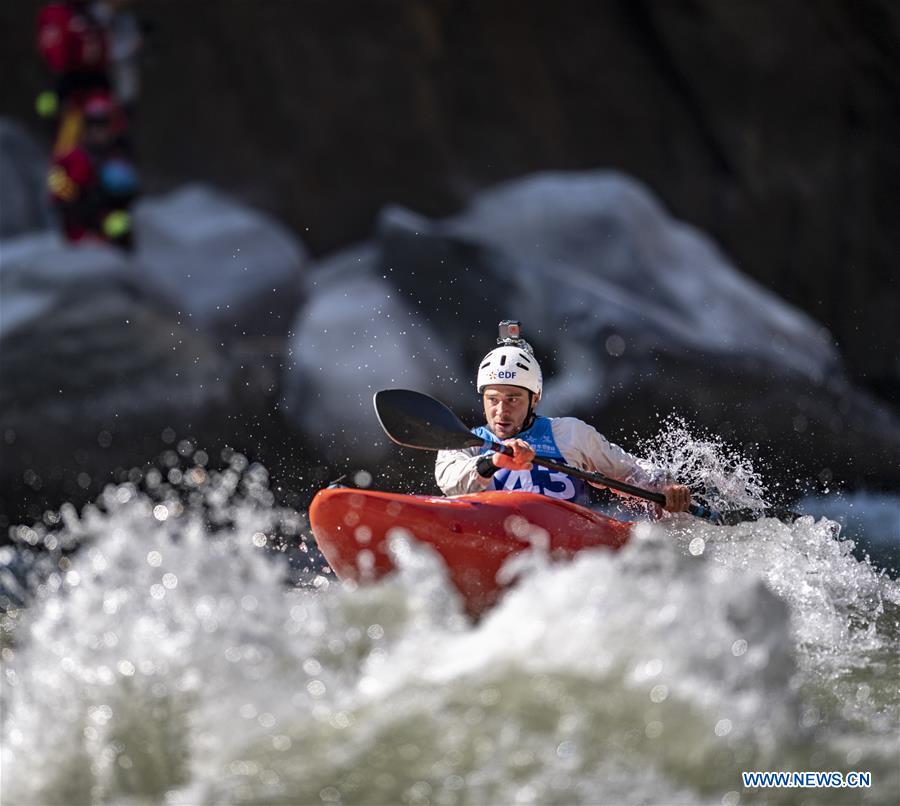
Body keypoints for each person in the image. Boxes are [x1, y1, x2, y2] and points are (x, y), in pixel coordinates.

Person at [435, 321, 692, 512]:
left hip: (571, 550)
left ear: (534, 398)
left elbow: (630, 471)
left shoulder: (570, 434)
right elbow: (451, 482)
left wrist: (664, 488)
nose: (501, 410)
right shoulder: (464, 444)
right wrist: (493, 461)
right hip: (495, 538)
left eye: (513, 399)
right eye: (493, 399)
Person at [48, 92, 139, 249]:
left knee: (119, 229)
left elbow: (129, 193)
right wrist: (72, 197)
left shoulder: (117, 158)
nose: (99, 132)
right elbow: (57, 187)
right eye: (94, 126)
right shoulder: (73, 158)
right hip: (78, 226)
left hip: (110, 223)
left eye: (103, 126)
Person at [36, 0, 111, 156]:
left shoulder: (91, 11)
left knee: (105, 127)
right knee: (66, 139)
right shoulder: (56, 14)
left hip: (94, 82)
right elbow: (54, 53)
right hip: (68, 83)